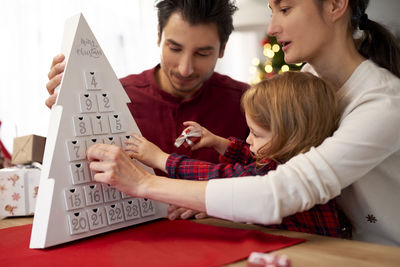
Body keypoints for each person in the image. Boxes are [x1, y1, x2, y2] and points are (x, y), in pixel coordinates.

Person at [86, 0, 400, 246]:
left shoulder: (382, 103)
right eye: (271, 10)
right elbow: (264, 170)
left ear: (335, 5)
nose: (273, 26)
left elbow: (278, 188)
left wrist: (146, 182)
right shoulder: (308, 81)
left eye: (285, 9)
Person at [45, 0, 249, 219]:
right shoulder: (116, 98)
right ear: (159, 35)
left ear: (223, 48)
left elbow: (269, 183)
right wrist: (68, 118)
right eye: (175, 48)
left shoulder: (248, 105)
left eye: (202, 54)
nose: (185, 68)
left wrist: (215, 201)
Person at [124, 71, 342, 237]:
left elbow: (227, 178)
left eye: (256, 134)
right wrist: (219, 143)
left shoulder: (281, 172)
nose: (248, 139)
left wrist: (161, 159)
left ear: (291, 136)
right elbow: (252, 161)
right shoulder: (291, 159)